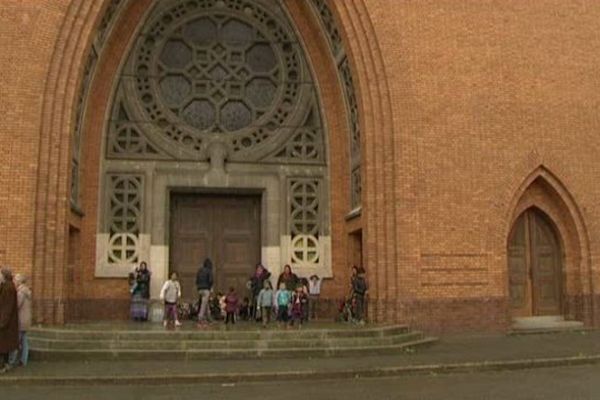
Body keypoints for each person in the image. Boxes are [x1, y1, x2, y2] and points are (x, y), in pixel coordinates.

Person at [0, 267, 18, 374]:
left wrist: (2, 322)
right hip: (5, 322)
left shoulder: (8, 288)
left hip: (5, 323)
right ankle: (4, 364)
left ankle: (3, 366)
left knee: (3, 346)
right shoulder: (6, 286)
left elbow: (7, 307)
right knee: (4, 346)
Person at [11, 274, 31, 367]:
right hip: (26, 320)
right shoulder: (26, 291)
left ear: (19, 281)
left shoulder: (20, 292)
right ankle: (24, 360)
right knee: (24, 340)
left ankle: (12, 360)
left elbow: (17, 305)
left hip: (20, 320)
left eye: (15, 280)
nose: (14, 281)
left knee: (16, 341)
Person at [196, 258, 214, 325]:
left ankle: (209, 318)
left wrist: (198, 286)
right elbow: (210, 280)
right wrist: (210, 287)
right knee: (204, 304)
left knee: (205, 303)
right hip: (206, 289)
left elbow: (197, 279)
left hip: (200, 289)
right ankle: (200, 318)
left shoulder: (200, 270)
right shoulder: (209, 271)